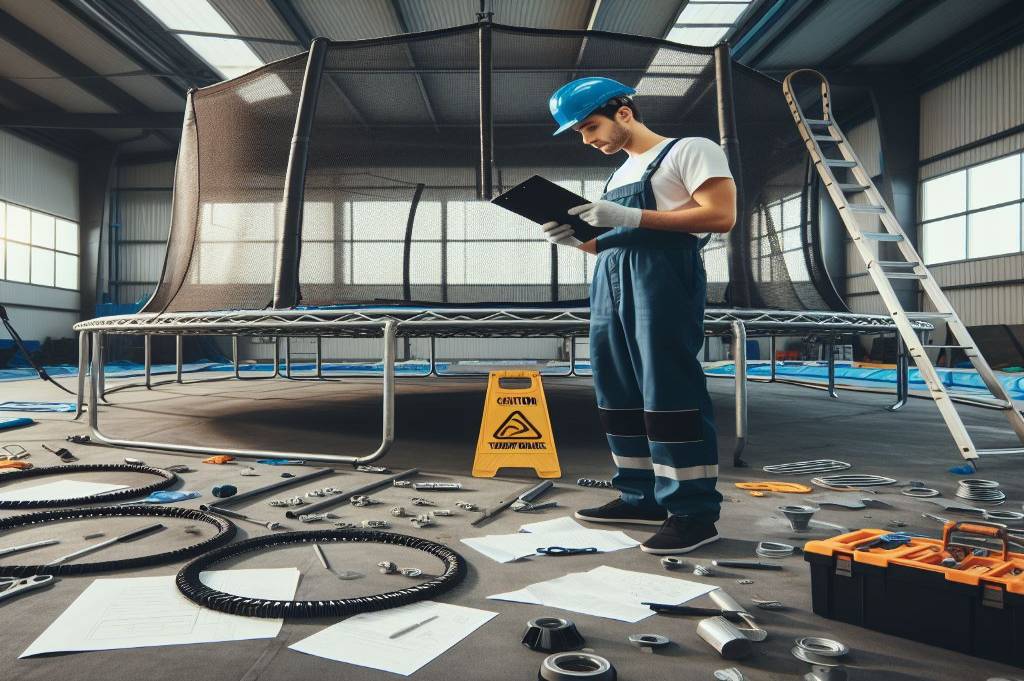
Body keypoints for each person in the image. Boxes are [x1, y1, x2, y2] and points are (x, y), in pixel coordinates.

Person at [544, 77, 737, 554]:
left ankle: (692, 512)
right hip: (610, 281)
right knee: (618, 391)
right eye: (580, 133)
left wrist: (628, 217)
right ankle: (640, 495)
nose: (587, 139)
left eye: (591, 127)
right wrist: (575, 238)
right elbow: (610, 242)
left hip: (663, 278)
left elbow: (720, 215)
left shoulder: (690, 150)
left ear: (623, 112)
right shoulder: (622, 173)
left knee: (669, 392)